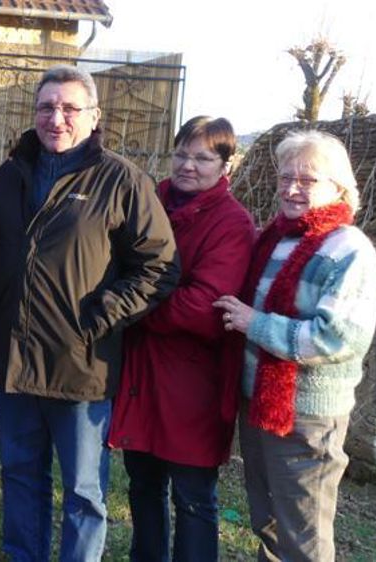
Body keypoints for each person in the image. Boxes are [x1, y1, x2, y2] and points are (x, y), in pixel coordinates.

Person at [0, 64, 179, 562]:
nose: (56, 118)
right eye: (46, 106)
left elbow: (160, 266)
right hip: (15, 360)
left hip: (81, 365)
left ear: (93, 116)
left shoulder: (121, 180)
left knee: (84, 491)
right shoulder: (12, 173)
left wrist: (101, 316)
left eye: (68, 108)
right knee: (20, 476)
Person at [214, 130, 376, 562]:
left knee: (302, 537)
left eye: (307, 180)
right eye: (284, 177)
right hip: (260, 405)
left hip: (307, 415)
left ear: (338, 188)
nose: (291, 188)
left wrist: (255, 323)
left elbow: (335, 337)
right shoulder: (276, 237)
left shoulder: (349, 252)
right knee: (269, 522)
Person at [108, 116, 255, 561]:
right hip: (143, 373)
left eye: (203, 158)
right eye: (181, 154)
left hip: (194, 384)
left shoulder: (232, 224)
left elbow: (204, 306)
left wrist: (127, 309)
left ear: (226, 165)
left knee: (193, 498)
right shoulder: (151, 201)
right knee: (144, 486)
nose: (188, 166)